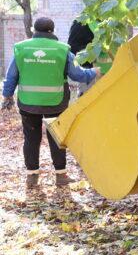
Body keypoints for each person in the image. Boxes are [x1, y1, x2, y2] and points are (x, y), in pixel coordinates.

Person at [2, 17, 100, 188]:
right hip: (56, 103)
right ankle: (60, 176)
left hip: (28, 103)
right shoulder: (62, 50)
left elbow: (11, 77)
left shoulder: (21, 48)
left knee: (31, 138)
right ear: (52, 31)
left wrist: (7, 97)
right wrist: (94, 72)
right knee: (56, 137)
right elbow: (78, 75)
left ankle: (32, 176)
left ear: (34, 30)